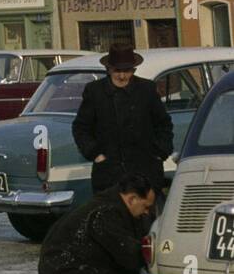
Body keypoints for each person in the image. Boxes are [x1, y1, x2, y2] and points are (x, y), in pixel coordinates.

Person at [72, 43, 173, 197]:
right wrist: (96, 154)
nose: (122, 76)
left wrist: (159, 153)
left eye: (126, 71)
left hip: (145, 171)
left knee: (145, 218)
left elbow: (163, 124)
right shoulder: (95, 91)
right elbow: (81, 128)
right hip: (109, 173)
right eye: (117, 71)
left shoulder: (147, 89)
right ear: (109, 69)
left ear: (133, 70)